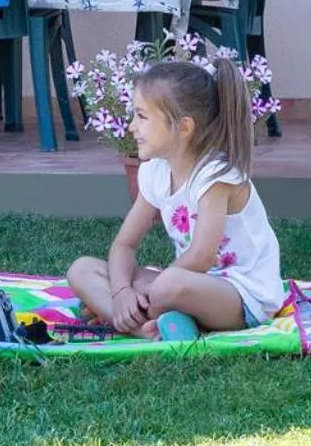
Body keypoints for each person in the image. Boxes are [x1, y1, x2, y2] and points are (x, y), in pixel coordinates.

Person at [66, 59, 284, 339]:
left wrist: (150, 289)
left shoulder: (216, 177)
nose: (132, 127)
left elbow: (202, 257)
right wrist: (121, 292)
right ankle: (143, 325)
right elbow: (125, 243)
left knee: (167, 285)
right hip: (186, 281)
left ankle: (119, 313)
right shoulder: (156, 171)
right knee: (81, 269)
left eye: (142, 116)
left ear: (183, 127)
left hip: (240, 297)